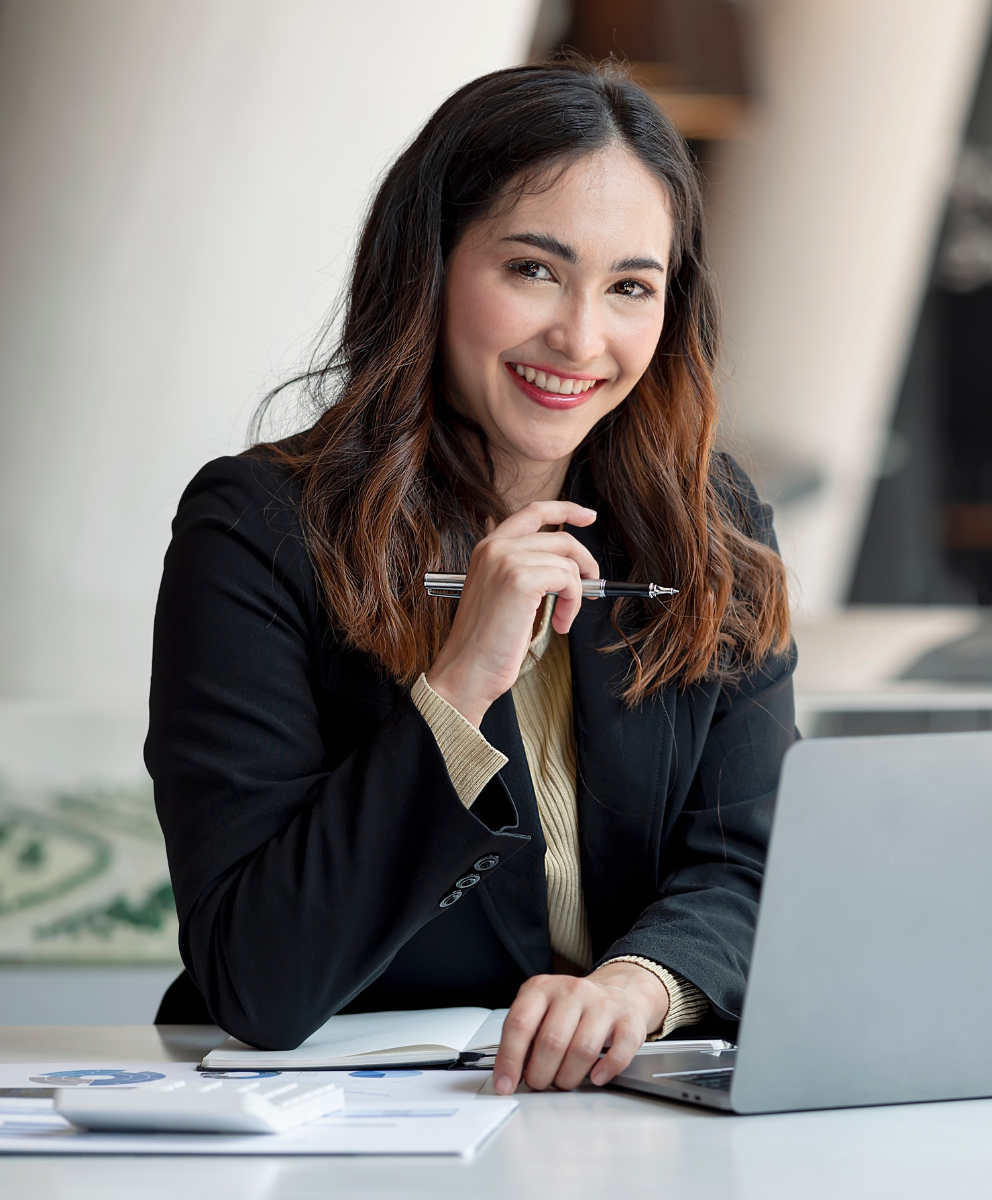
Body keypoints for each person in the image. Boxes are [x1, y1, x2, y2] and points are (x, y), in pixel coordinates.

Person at [147, 59, 796, 1096]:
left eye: (631, 286)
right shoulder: (257, 529)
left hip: (631, 1119)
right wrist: (459, 688)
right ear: (432, 266)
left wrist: (638, 987)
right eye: (533, 270)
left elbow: (757, 863)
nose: (581, 338)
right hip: (357, 1128)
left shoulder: (708, 523)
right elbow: (257, 975)